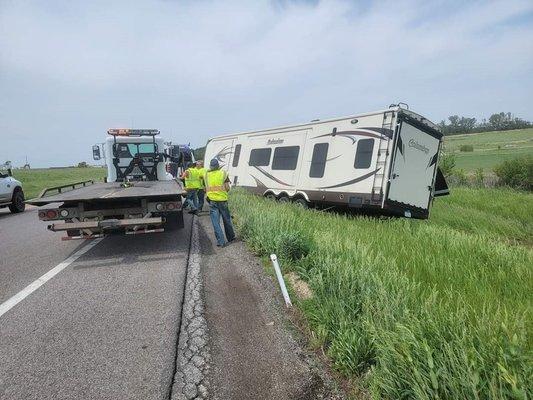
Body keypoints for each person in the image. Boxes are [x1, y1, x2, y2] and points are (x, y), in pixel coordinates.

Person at [205, 158, 235, 247]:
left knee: (215, 222)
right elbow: (227, 188)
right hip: (223, 201)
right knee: (227, 220)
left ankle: (221, 241)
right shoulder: (223, 173)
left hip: (212, 201)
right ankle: (231, 237)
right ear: (218, 166)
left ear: (211, 166)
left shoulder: (206, 175)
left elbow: (205, 187)